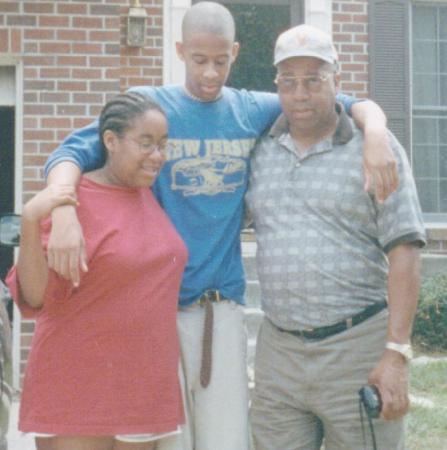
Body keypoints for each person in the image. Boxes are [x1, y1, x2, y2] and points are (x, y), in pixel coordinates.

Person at [42, 3, 398, 450]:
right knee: (170, 440)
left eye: (220, 60)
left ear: (234, 52)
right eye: (198, 60)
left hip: (222, 307)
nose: (210, 73)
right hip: (156, 309)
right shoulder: (151, 110)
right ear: (179, 51)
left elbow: (343, 100)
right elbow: (70, 152)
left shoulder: (250, 109)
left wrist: (378, 131)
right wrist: (62, 210)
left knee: (225, 441)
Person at [246, 24, 426, 450]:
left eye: (314, 79)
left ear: (337, 82)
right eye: (288, 82)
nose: (301, 93)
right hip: (279, 354)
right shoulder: (259, 149)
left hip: (357, 349)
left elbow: (405, 251)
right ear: (276, 87)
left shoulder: (376, 149)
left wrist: (396, 353)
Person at [6, 93, 188, 450]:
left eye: (163, 145)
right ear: (110, 141)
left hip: (143, 384)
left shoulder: (151, 194)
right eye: (145, 143)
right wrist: (31, 221)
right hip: (79, 383)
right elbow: (35, 296)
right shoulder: (73, 200)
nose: (157, 156)